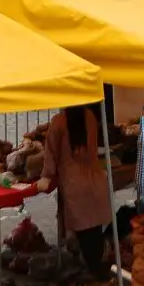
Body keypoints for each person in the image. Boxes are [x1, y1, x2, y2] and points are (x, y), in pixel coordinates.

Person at [36, 102, 115, 274]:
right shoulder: (90, 117)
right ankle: (98, 271)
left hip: (76, 187)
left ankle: (98, 277)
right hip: (96, 180)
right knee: (94, 235)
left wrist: (46, 176)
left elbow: (50, 158)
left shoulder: (58, 123)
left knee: (88, 241)